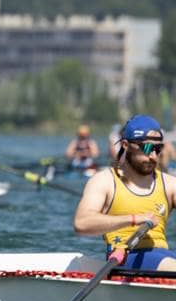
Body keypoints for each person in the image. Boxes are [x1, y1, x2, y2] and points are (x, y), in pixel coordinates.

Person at [73, 114, 176, 271]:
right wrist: (134, 219)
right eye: (147, 148)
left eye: (158, 149)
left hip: (164, 256)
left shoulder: (170, 184)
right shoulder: (104, 181)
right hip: (125, 257)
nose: (153, 156)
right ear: (126, 145)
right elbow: (81, 223)